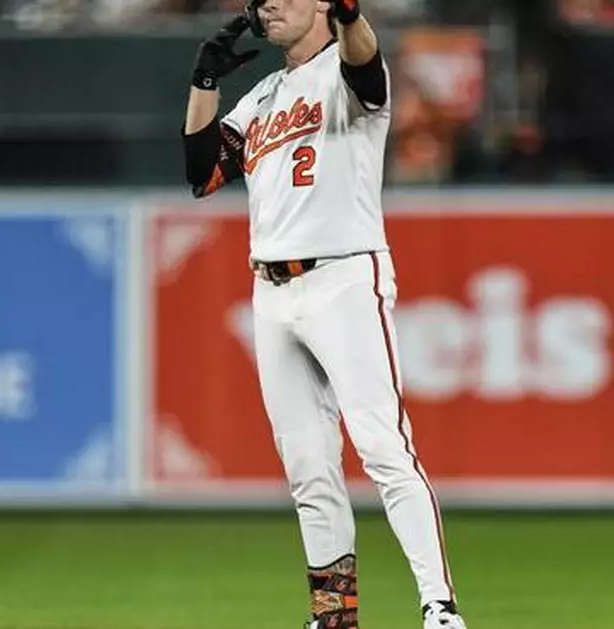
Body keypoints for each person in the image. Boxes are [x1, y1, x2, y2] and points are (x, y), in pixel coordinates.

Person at [179, 2, 465, 629]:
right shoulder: (260, 98)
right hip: (273, 291)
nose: (266, 5)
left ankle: (439, 608)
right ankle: (334, 616)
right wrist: (204, 83)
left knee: (385, 448)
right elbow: (202, 175)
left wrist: (349, 16)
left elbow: (364, 60)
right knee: (309, 466)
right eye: (259, 0)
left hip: (342, 276)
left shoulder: (349, 68)